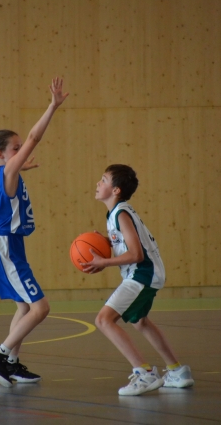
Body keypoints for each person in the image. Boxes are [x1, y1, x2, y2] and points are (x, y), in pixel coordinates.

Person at [0, 77, 69, 387]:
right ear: (2, 155)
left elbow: (9, 177)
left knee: (24, 306)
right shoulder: (6, 171)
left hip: (5, 244)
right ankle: (0, 355)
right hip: (4, 245)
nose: (21, 152)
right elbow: (34, 136)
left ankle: (12, 363)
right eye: (16, 150)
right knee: (41, 308)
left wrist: (21, 167)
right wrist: (52, 106)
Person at [81, 164, 194, 396]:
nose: (98, 183)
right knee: (139, 321)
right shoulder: (117, 213)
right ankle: (176, 371)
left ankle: (144, 373)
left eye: (103, 180)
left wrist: (103, 262)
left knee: (103, 320)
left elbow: (136, 254)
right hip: (148, 272)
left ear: (116, 190)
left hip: (142, 272)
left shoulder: (121, 213)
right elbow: (130, 245)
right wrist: (106, 243)